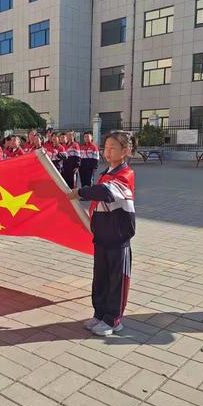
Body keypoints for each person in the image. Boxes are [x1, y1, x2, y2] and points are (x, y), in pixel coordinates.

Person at [69, 131, 136, 336]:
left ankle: (113, 320)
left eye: (112, 148)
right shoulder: (106, 173)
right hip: (102, 238)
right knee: (100, 279)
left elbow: (106, 192)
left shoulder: (125, 175)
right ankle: (100, 314)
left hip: (118, 240)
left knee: (117, 281)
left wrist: (80, 192)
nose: (107, 152)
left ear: (125, 151)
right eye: (105, 147)